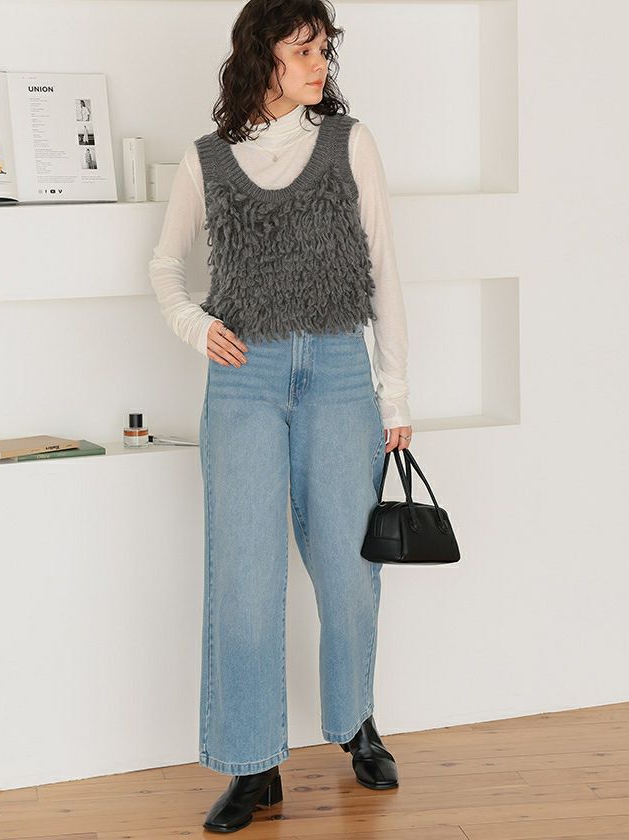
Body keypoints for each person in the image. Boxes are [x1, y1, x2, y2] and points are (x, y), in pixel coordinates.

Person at [148, 0, 413, 831]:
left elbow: (385, 271)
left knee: (349, 570)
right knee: (244, 579)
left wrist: (395, 395)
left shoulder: (350, 144)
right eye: (303, 50)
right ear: (261, 56)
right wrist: (197, 326)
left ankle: (357, 723)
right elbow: (164, 265)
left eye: (324, 50)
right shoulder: (207, 159)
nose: (319, 64)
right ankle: (252, 764)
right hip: (245, 379)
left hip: (338, 371)